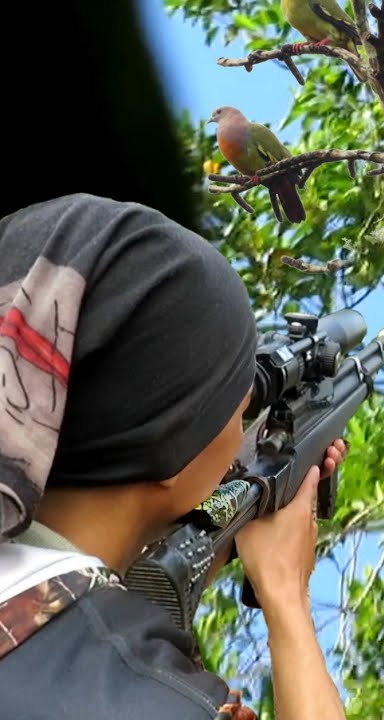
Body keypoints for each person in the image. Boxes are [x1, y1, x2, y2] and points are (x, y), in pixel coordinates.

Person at [0, 194, 348, 719]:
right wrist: (286, 597)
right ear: (173, 443)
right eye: (239, 400)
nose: (244, 424)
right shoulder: (151, 700)